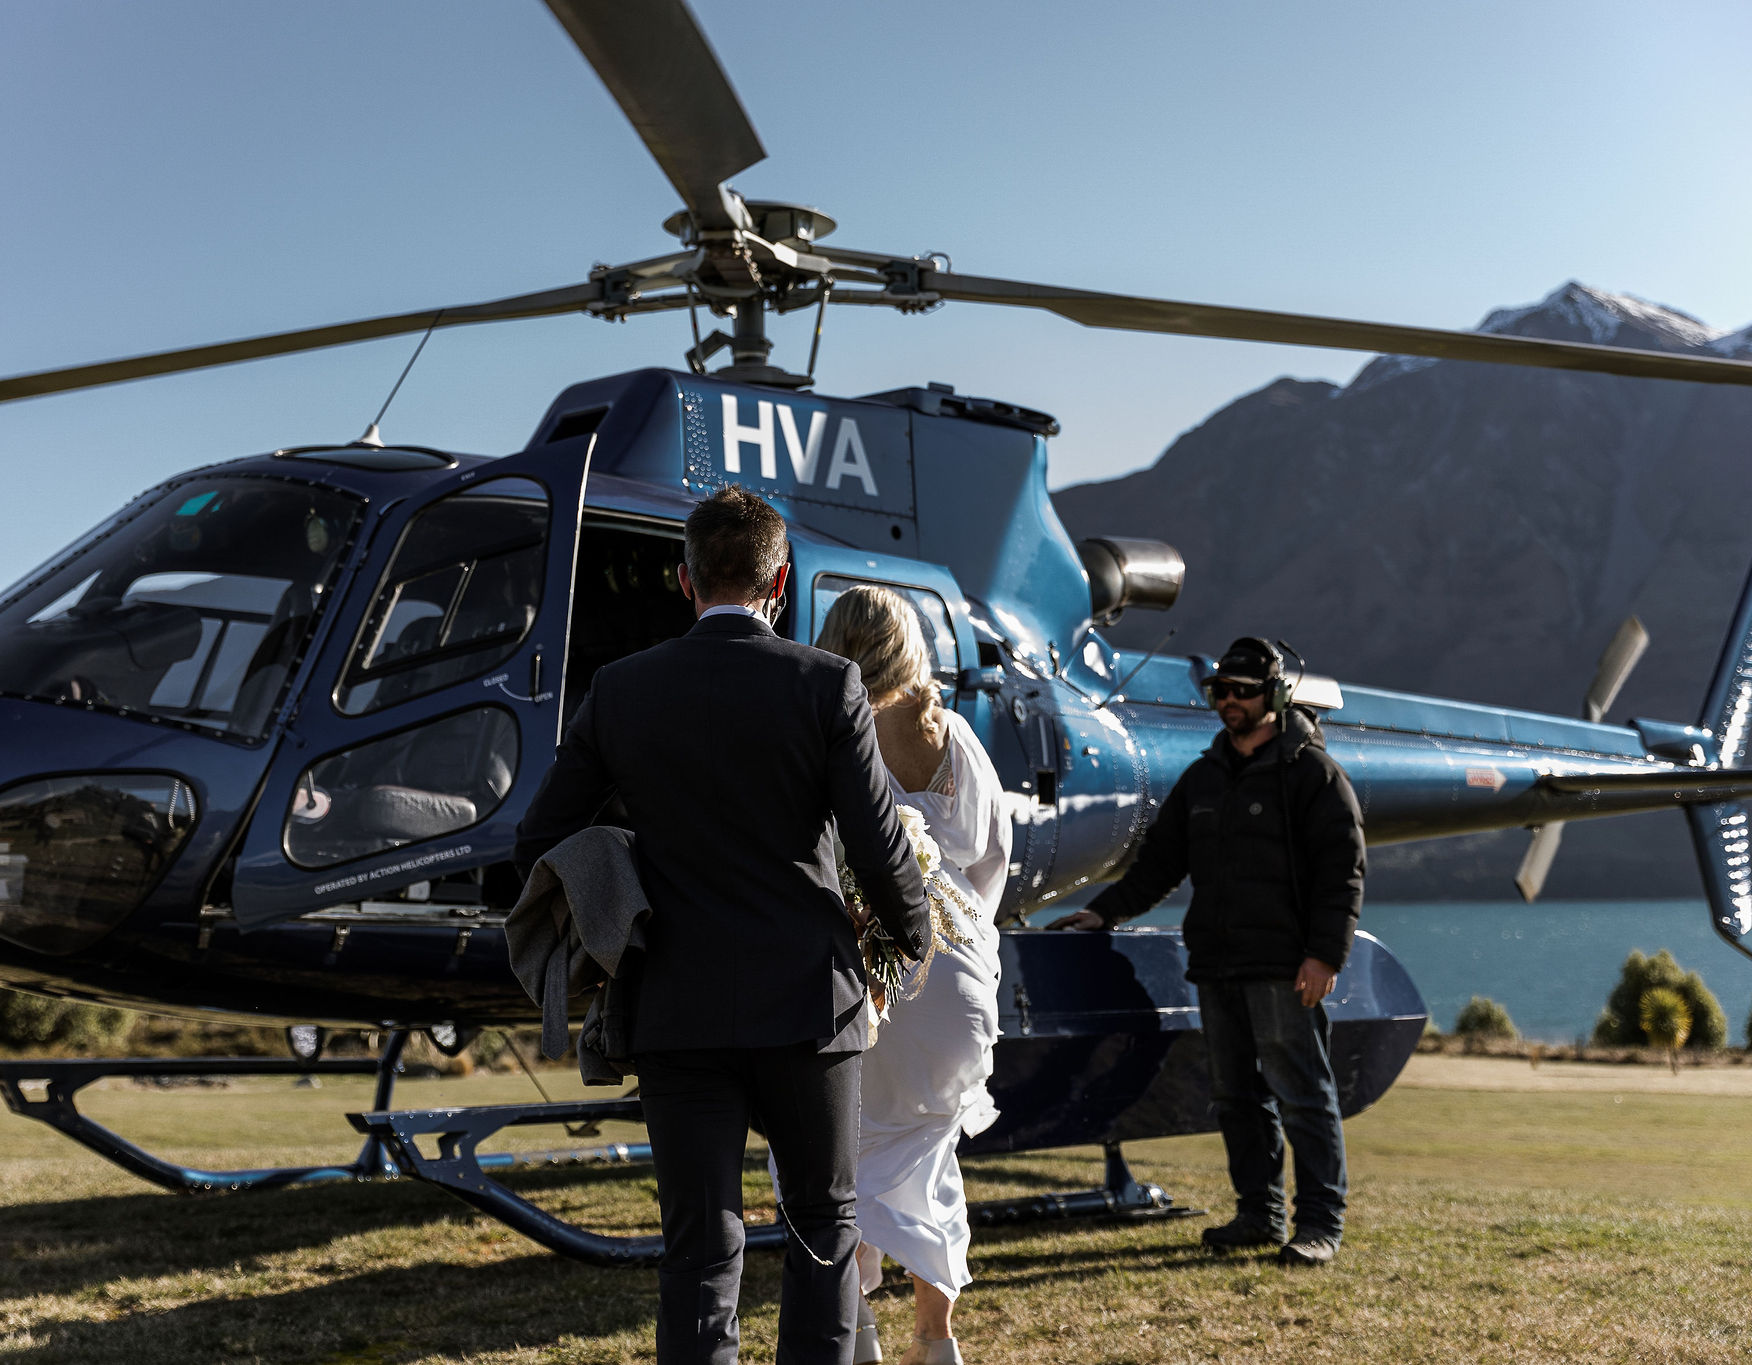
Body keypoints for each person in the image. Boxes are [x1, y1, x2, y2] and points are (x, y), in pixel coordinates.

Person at [514, 486, 930, 1365]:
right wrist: (912, 935)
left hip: (676, 1006)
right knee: (822, 1228)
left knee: (699, 1250)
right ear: (781, 578)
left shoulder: (622, 690)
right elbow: (879, 842)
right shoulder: (827, 683)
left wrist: (630, 874)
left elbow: (542, 838)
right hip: (810, 1006)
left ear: (684, 578)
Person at [1055, 637, 1364, 1267]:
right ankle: (1258, 1215)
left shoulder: (1313, 775)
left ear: (1273, 697)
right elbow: (1160, 864)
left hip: (1286, 967)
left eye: (1242, 692)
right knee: (1236, 1098)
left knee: (1303, 1094)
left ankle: (1319, 1227)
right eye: (1220, 691)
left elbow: (1344, 872)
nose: (1228, 702)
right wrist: (1105, 911)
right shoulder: (1204, 777)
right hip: (1217, 966)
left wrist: (1324, 956)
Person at [813, 587, 1010, 1365]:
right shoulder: (954, 736)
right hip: (952, 973)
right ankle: (937, 1342)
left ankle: (858, 1333)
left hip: (855, 973)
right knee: (932, 1159)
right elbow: (992, 860)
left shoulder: (824, 732)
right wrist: (957, 938)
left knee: (838, 1159)